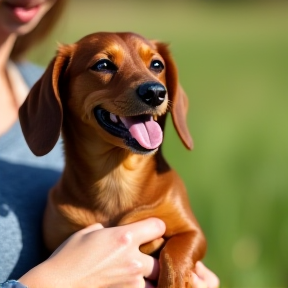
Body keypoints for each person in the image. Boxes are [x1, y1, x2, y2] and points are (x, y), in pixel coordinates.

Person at [0, 0, 220, 287]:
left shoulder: (37, 82)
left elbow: (190, 238)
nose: (151, 85)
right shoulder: (51, 98)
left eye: (155, 65)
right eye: (104, 65)